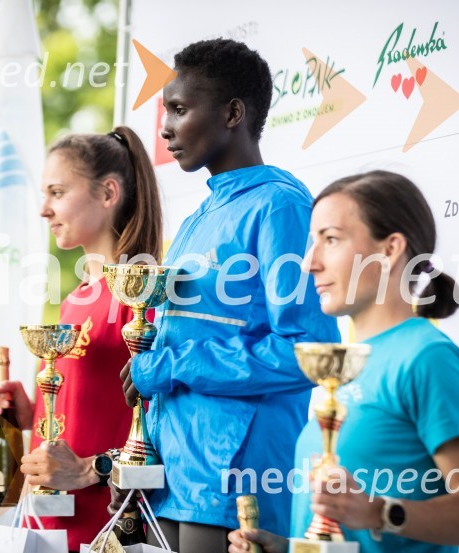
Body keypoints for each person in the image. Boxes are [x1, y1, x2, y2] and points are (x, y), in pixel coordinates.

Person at [118, 38, 340, 553]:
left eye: (179, 109)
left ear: (233, 113)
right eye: (165, 111)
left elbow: (309, 353)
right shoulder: (197, 220)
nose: (165, 129)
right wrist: (139, 458)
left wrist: (174, 364)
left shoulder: (280, 207)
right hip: (171, 480)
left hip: (235, 478)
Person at [228, 170, 459, 553]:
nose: (309, 263)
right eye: (312, 242)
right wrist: (286, 547)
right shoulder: (344, 364)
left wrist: (379, 513)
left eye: (331, 240)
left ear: (390, 249)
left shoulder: (427, 357)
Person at [0, 126, 163, 552]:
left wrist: (90, 469)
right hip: (49, 526)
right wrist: (31, 416)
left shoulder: (143, 296)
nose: (44, 209)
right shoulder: (74, 301)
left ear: (108, 193)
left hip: (111, 527)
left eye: (57, 193)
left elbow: (166, 434)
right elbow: (91, 411)